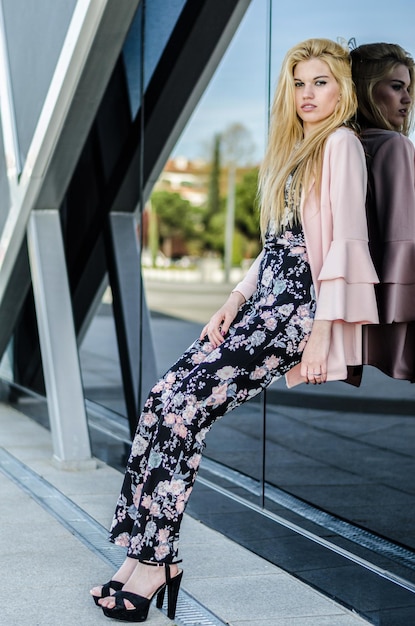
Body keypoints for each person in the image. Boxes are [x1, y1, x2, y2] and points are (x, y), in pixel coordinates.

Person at [91, 38, 379, 622]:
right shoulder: (298, 148)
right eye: (298, 83)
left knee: (181, 411)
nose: (307, 94)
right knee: (160, 403)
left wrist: (323, 336)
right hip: (260, 306)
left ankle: (155, 562)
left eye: (320, 82)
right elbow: (274, 247)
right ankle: (142, 553)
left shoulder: (342, 144)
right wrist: (232, 300)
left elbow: (346, 245)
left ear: (343, 87)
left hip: (294, 313)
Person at [351, 43, 415, 380]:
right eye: (395, 87)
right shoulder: (395, 145)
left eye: (408, 89)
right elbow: (403, 238)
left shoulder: (346, 144)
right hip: (395, 302)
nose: (407, 98)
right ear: (367, 89)